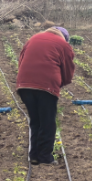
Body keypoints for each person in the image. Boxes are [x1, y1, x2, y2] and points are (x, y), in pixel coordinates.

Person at [16, 25, 75, 165]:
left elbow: (21, 60)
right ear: (64, 37)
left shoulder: (33, 38)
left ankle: (34, 155)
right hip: (47, 86)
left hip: (24, 84)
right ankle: (45, 156)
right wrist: (61, 83)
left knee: (35, 120)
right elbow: (67, 69)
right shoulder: (63, 45)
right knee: (47, 121)